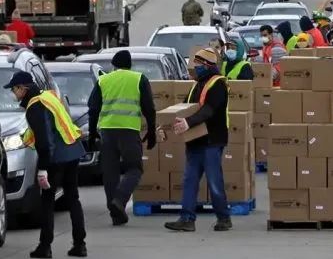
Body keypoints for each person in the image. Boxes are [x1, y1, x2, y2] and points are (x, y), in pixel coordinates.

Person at [4, 71, 87, 259]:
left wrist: (42, 168)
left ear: (22, 89)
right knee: (73, 198)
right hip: (72, 151)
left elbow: (44, 139)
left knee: (47, 201)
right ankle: (80, 244)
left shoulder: (35, 105)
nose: (13, 94)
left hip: (55, 158)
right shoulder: (47, 96)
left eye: (13, 90)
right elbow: (52, 127)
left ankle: (45, 246)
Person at [162, 48, 231, 232]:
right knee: (190, 180)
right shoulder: (197, 84)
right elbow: (185, 108)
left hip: (212, 141)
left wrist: (188, 122)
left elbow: (208, 110)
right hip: (195, 141)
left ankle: (223, 218)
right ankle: (186, 219)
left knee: (214, 181)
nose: (195, 67)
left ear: (208, 65)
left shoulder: (217, 85)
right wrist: (166, 125)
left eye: (199, 64)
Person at [87, 50, 156, 226]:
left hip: (107, 132)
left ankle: (116, 214)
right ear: (130, 65)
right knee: (135, 168)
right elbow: (149, 108)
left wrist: (93, 132)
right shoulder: (139, 78)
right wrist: (152, 131)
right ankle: (120, 199)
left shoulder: (104, 80)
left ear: (114, 65)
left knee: (110, 173)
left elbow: (93, 108)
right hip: (129, 131)